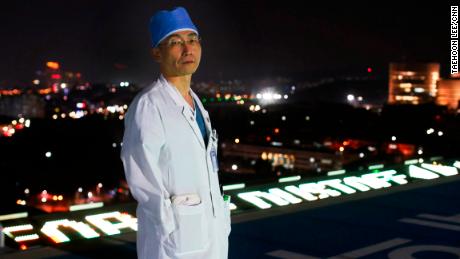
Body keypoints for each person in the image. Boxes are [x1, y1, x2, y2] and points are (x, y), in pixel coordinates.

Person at [120, 6, 231, 259]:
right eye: (175, 42)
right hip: (174, 244)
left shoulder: (197, 104)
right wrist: (169, 227)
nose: (187, 48)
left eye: (192, 40)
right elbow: (142, 177)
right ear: (157, 53)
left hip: (211, 235)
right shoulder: (149, 105)